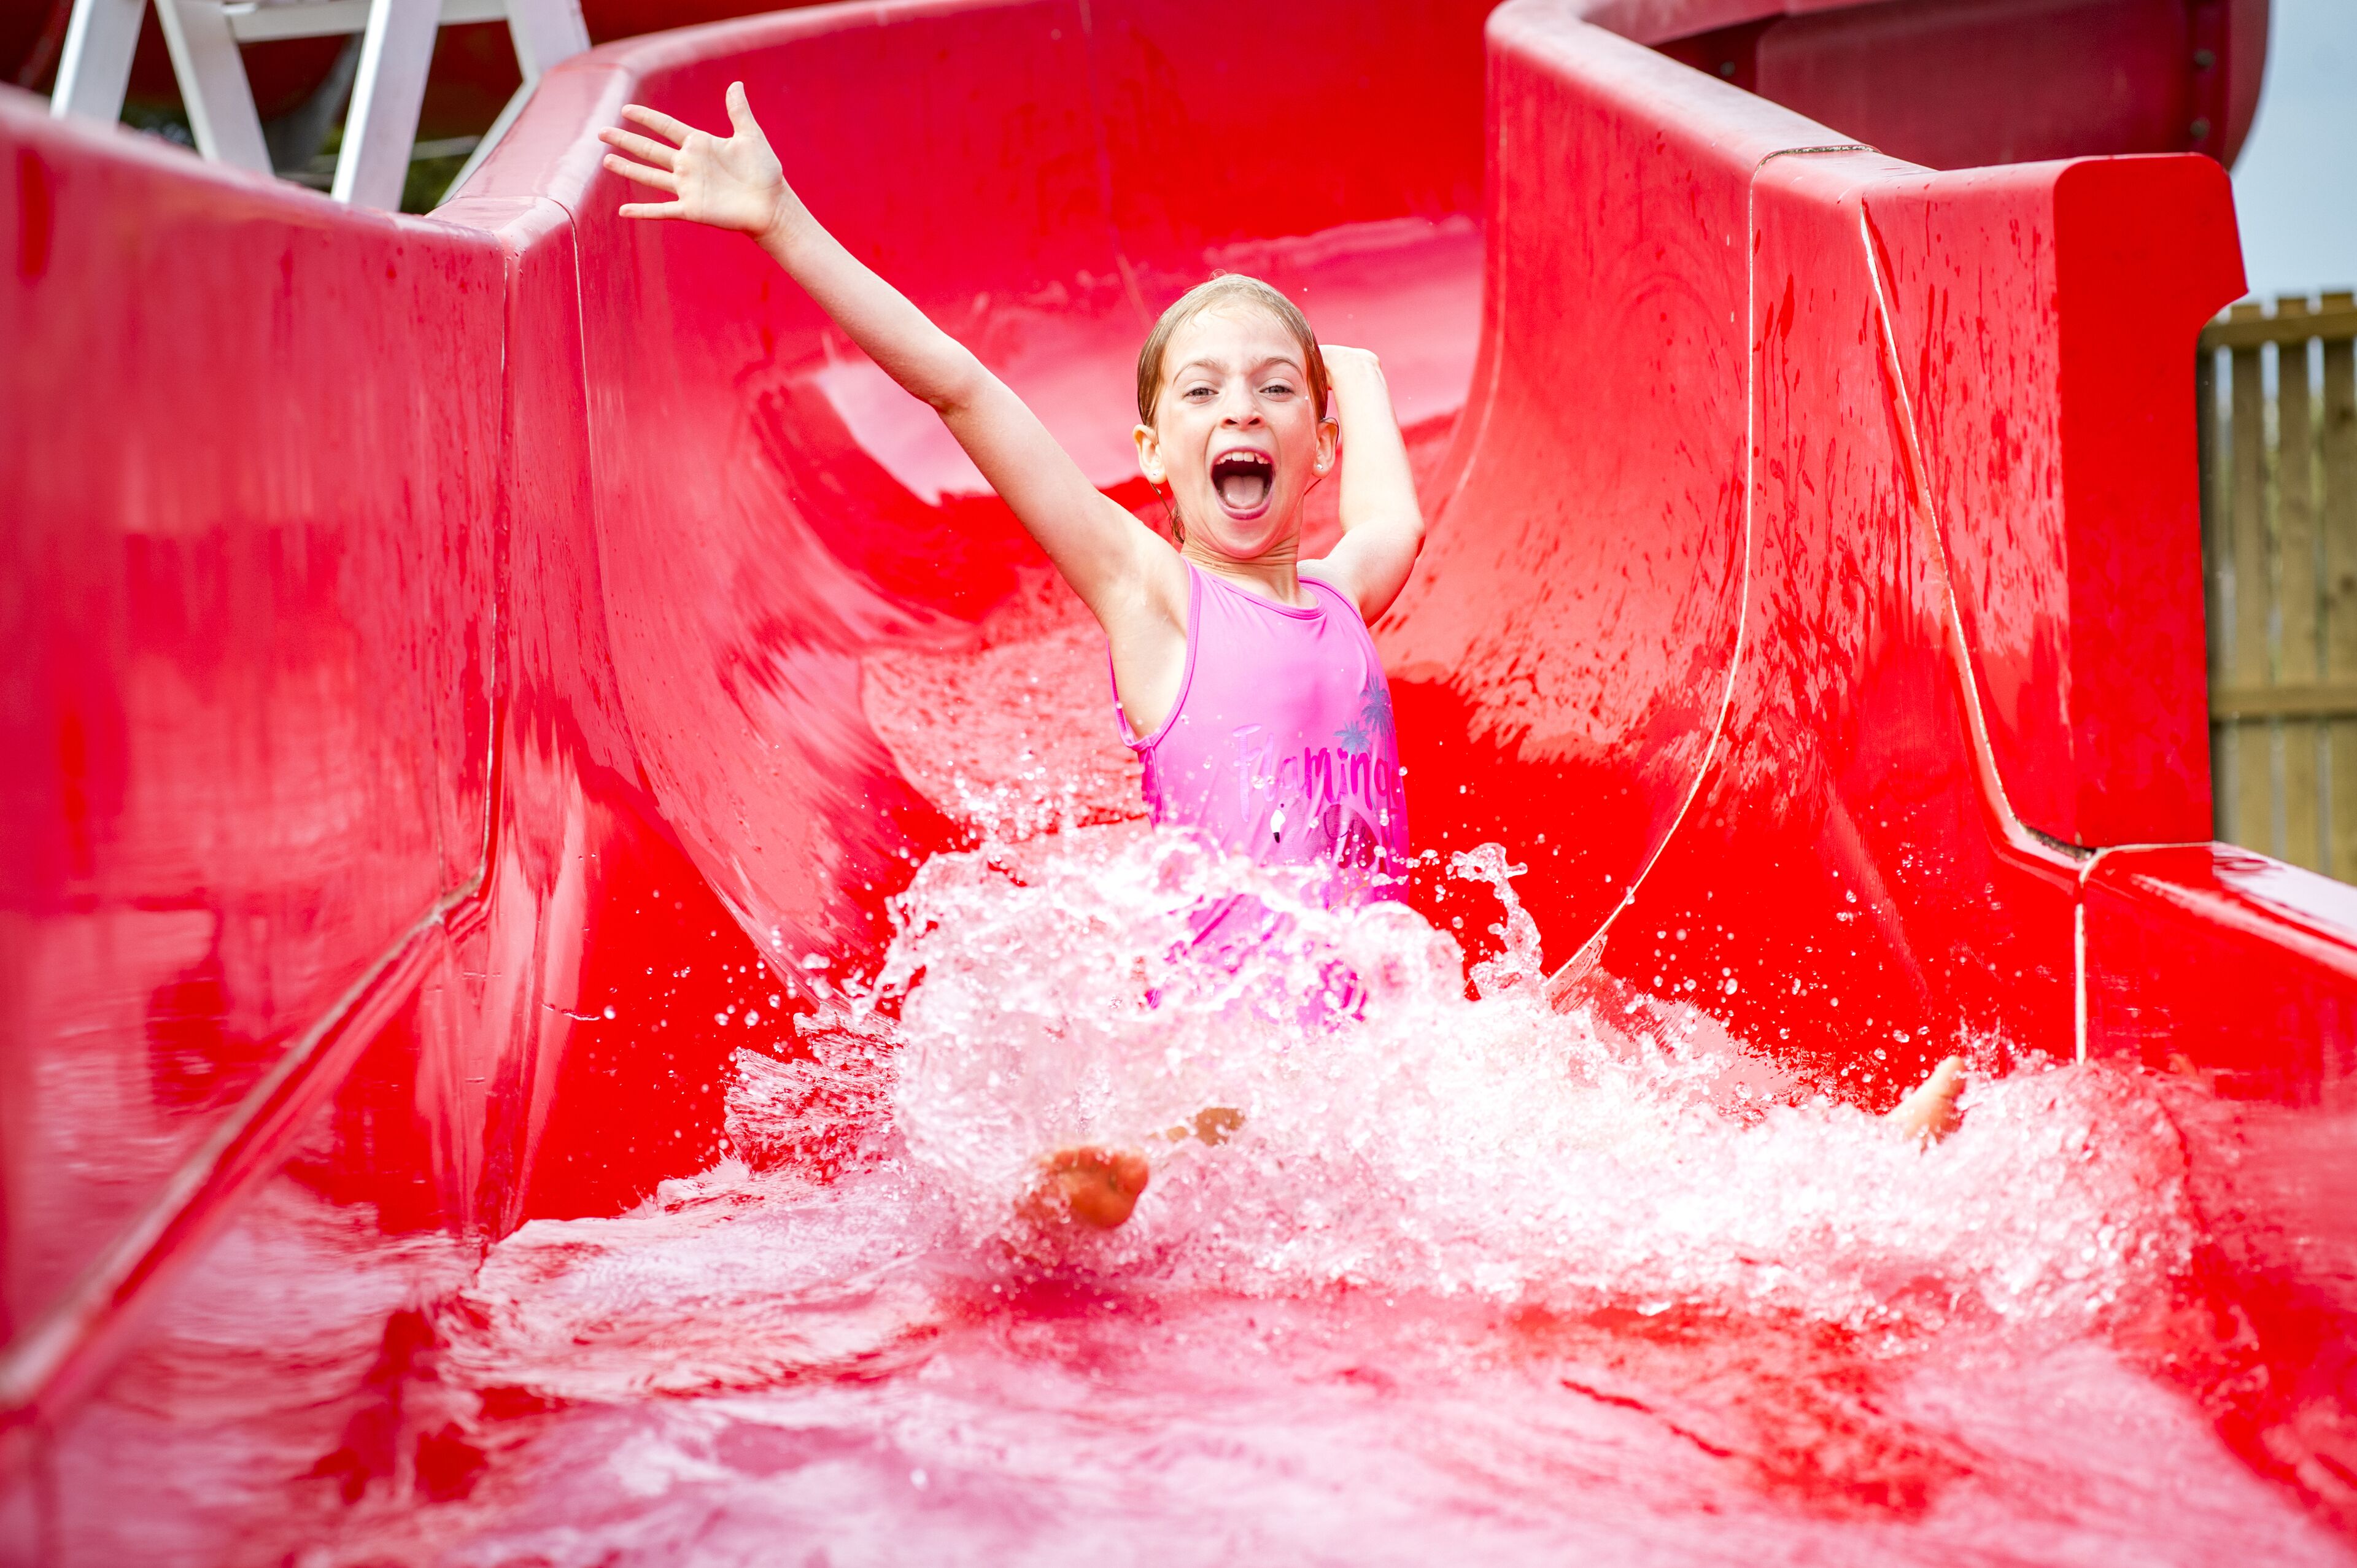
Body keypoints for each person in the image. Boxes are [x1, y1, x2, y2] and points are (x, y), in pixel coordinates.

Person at [595, 85, 1965, 1232]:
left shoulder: (1341, 598)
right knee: (1227, 1119)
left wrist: (1346, 365)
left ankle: (1827, 1190)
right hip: (1230, 1024)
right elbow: (963, 385)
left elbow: (1400, 516)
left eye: (1270, 392)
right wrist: (784, 226)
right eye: (1200, 392)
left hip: (1380, 1030)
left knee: (1567, 1088)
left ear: (1311, 444)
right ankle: (1087, 1198)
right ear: (1151, 457)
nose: (1235, 410)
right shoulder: (1153, 599)